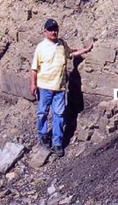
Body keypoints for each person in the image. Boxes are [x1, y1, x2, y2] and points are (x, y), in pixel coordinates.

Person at [30, 19, 93, 157]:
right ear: (45, 32)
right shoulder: (41, 47)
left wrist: (86, 50)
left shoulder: (61, 44)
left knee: (59, 114)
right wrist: (33, 84)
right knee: (42, 113)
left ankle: (57, 142)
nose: (54, 32)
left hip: (59, 88)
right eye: (50, 29)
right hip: (44, 87)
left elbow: (71, 53)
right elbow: (34, 68)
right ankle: (43, 137)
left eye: (55, 29)